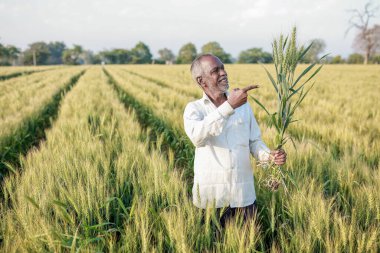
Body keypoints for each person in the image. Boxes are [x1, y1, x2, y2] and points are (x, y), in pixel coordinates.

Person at [183, 54, 287, 227]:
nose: (223, 72)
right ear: (202, 81)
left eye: (223, 67)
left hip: (243, 196)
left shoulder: (244, 105)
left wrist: (270, 156)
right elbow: (197, 137)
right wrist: (229, 106)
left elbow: (254, 141)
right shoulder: (194, 109)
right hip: (212, 199)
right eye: (215, 70)